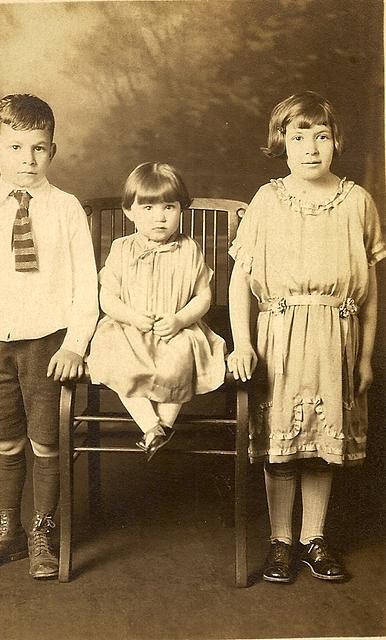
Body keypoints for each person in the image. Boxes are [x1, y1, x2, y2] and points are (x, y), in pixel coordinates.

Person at [227, 91, 386, 583]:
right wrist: (243, 342)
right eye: (299, 137)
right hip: (281, 336)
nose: (311, 148)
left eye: (321, 136)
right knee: (282, 445)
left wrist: (364, 357)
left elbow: (371, 292)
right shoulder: (268, 199)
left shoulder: (356, 200)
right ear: (282, 143)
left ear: (336, 141)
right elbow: (240, 280)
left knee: (321, 444)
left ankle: (314, 538)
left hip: (335, 336)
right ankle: (280, 541)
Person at [0, 94, 98, 579]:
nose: (27, 160)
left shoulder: (66, 209)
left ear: (52, 150)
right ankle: (8, 530)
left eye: (38, 148)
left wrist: (76, 343)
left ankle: (43, 529)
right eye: (15, 148)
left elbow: (87, 285)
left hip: (49, 344)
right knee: (6, 441)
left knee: (46, 442)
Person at [87, 162, 226, 461]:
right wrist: (132, 317)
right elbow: (107, 297)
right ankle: (151, 426)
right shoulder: (122, 248)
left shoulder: (190, 249)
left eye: (169, 207)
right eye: (148, 208)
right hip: (129, 327)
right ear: (130, 212)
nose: (160, 217)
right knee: (115, 356)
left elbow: (203, 296)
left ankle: (164, 425)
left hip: (175, 329)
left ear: (181, 210)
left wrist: (180, 320)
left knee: (182, 357)